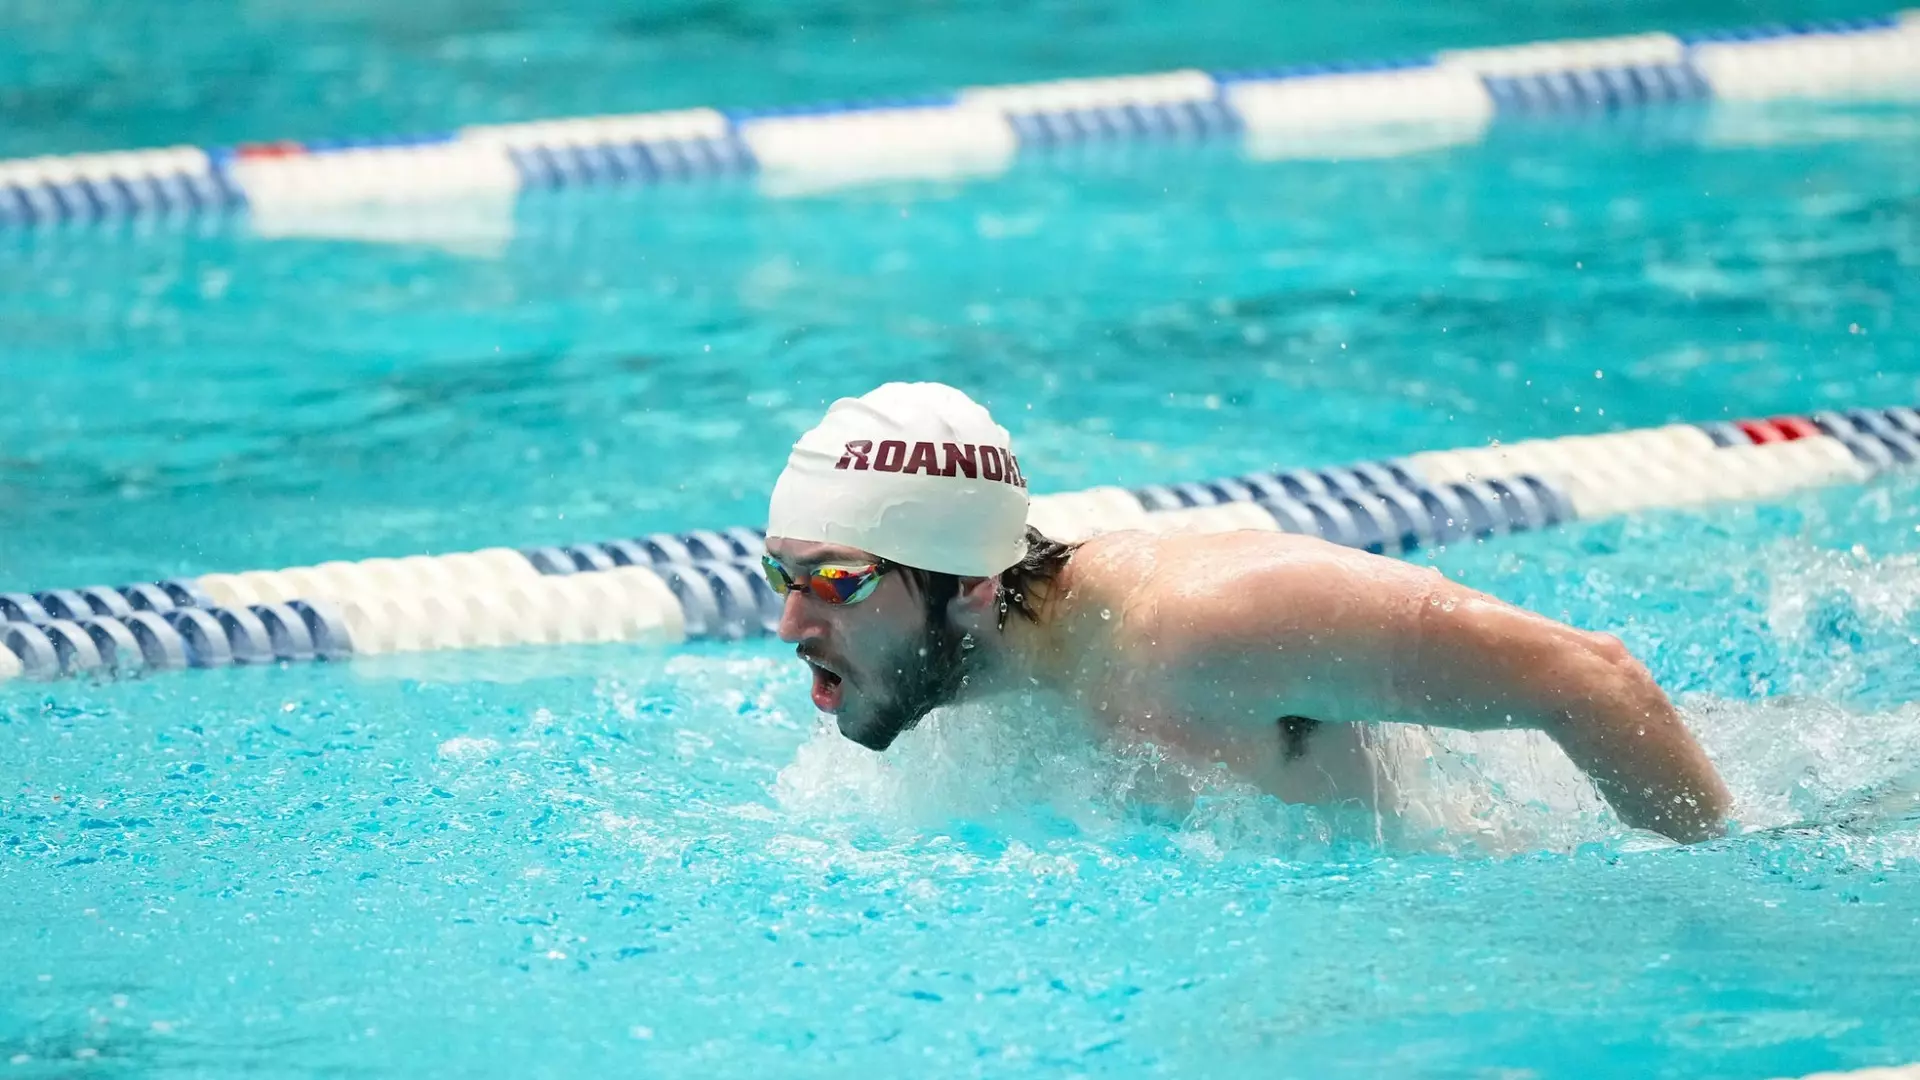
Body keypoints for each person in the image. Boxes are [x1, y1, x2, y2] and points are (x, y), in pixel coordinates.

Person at [762, 382, 1733, 843]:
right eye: (782, 576)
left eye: (839, 579)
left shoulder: (1210, 623)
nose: (792, 623)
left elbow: (1590, 678)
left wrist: (1703, 882)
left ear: (969, 582)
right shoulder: (947, 693)